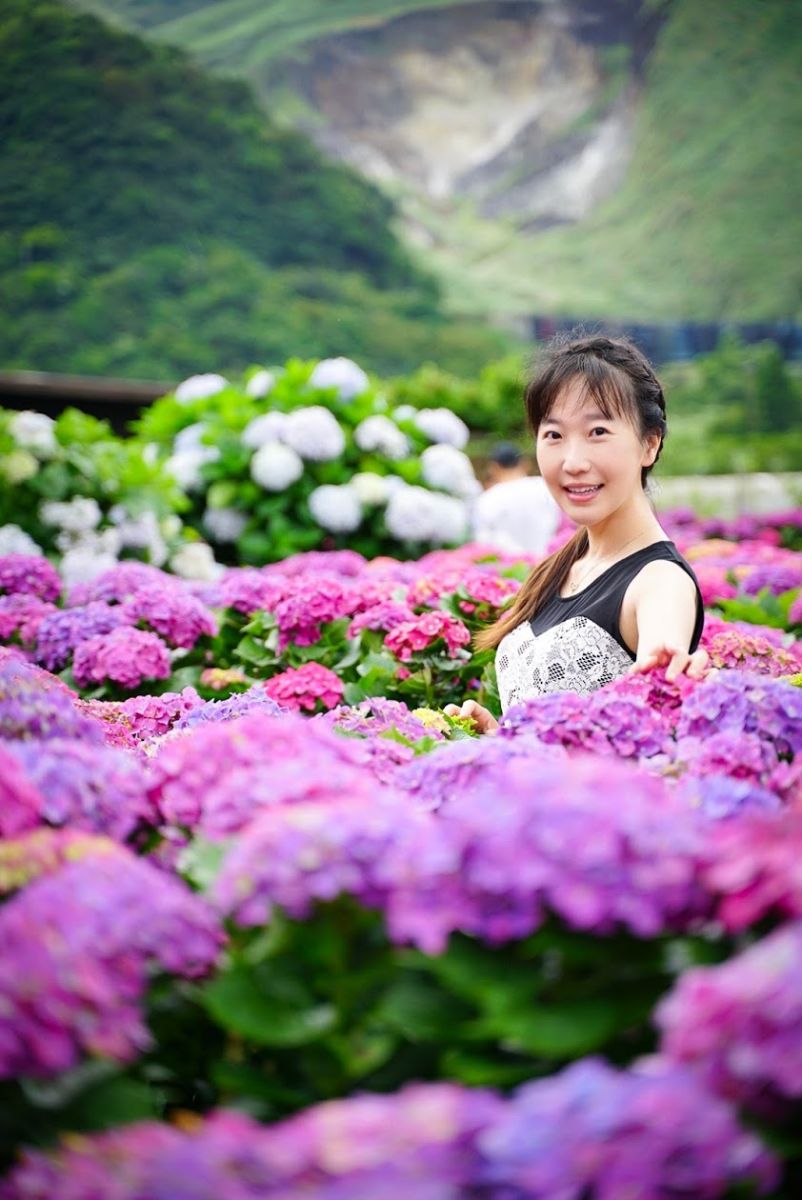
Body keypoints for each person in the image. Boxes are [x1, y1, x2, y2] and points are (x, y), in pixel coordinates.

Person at [446, 334, 707, 734]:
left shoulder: (660, 581)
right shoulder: (559, 568)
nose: (572, 462)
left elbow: (661, 657)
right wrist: (500, 737)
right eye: (553, 435)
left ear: (649, 445)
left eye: (597, 432)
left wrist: (666, 672)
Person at [470, 442, 561, 556]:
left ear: (494, 467)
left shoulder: (488, 498)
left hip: (510, 570)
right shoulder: (547, 488)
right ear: (525, 463)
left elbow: (483, 542)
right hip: (552, 562)